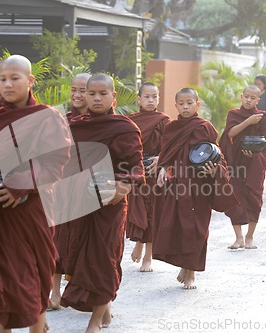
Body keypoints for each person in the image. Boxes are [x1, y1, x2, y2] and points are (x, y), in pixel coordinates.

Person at [0, 55, 71, 333]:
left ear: (30, 80)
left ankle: (37, 328)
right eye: (2, 79)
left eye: (15, 78)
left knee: (34, 271)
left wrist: (19, 186)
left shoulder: (46, 117)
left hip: (31, 210)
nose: (8, 84)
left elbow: (56, 160)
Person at [60, 73, 145, 333]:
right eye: (91, 94)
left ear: (113, 97)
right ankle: (104, 306)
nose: (96, 99)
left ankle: (95, 320)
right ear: (83, 96)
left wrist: (125, 185)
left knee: (104, 258)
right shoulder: (73, 125)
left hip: (110, 204)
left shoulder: (125, 127)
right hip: (78, 202)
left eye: (102, 94)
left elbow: (135, 166)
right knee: (75, 258)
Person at [152, 88, 238, 289]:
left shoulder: (204, 127)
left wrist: (214, 170)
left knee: (197, 229)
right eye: (181, 103)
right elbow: (167, 154)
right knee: (179, 227)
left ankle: (191, 272)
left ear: (197, 105)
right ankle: (185, 265)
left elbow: (217, 155)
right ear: (175, 106)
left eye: (189, 103)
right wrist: (163, 168)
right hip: (177, 186)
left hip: (200, 185)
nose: (185, 107)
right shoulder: (172, 128)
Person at [49, 72, 92, 311]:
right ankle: (54, 294)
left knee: (88, 243)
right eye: (73, 89)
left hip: (88, 190)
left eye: (83, 90)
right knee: (58, 239)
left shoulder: (103, 123)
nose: (76, 95)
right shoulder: (64, 120)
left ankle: (95, 297)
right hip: (63, 188)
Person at [219, 85, 266, 250]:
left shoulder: (263, 117)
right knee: (234, 199)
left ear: (258, 100)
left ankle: (249, 237)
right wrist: (248, 121)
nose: (248, 100)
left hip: (254, 165)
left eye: (252, 98)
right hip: (235, 163)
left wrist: (256, 156)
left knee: (254, 200)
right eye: (246, 96)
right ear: (241, 97)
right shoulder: (233, 114)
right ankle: (238, 238)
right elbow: (230, 133)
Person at [126, 82, 170, 272]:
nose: (151, 100)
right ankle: (138, 243)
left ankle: (148, 256)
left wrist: (162, 159)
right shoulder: (130, 120)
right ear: (139, 99)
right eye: (147, 97)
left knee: (152, 210)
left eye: (154, 97)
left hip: (154, 169)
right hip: (135, 169)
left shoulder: (163, 121)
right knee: (136, 209)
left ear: (159, 99)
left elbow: (171, 146)